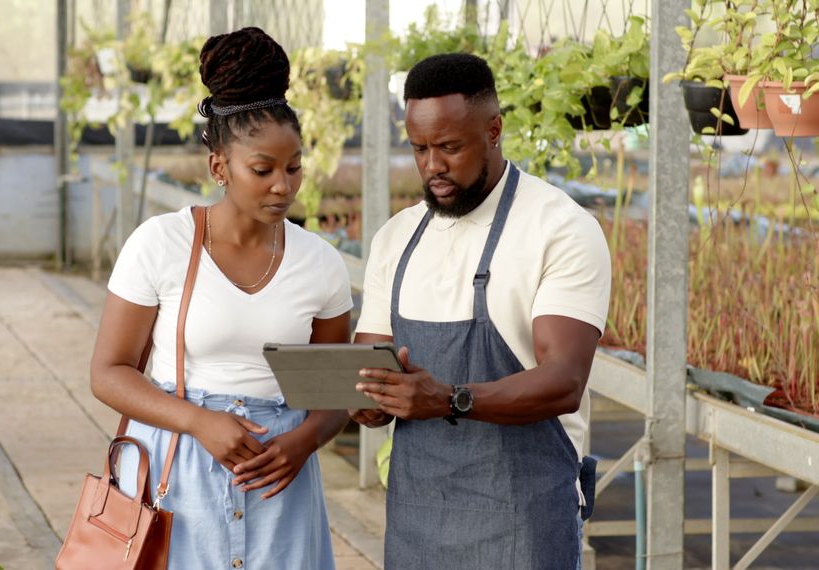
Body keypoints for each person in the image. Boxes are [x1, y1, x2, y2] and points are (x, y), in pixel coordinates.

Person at [89, 27, 351, 570]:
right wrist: (197, 421)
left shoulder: (320, 263)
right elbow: (109, 372)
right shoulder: (161, 244)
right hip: (175, 469)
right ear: (219, 168)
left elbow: (333, 394)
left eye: (294, 166)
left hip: (281, 478)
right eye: (263, 170)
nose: (283, 185)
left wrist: (303, 443)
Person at [351, 53, 611, 569]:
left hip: (523, 521)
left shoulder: (558, 228)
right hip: (417, 520)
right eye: (419, 148)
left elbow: (563, 381)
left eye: (449, 147)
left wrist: (447, 398)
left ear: (494, 130)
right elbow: (368, 367)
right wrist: (367, 401)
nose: (432, 167)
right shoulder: (396, 239)